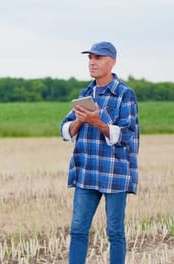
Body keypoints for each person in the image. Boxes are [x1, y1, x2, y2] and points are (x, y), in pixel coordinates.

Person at [60, 41, 140, 264]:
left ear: (112, 62)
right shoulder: (86, 93)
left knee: (115, 232)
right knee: (77, 230)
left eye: (99, 58)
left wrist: (98, 121)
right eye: (90, 58)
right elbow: (65, 130)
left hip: (115, 172)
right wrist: (78, 121)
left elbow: (127, 134)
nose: (92, 63)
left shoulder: (125, 94)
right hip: (86, 171)